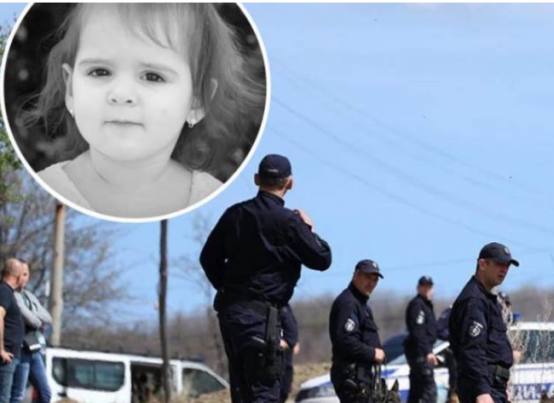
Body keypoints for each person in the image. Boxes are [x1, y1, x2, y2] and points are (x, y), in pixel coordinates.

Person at [21, 4, 264, 218]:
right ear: (70, 89)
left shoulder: (214, 200)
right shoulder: (42, 193)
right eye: (100, 72)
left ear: (197, 101)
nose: (121, 94)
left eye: (152, 76)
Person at [200, 154, 332, 403]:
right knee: (265, 393)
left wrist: (227, 289)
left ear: (256, 179)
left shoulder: (234, 215)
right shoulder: (289, 222)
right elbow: (322, 259)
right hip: (262, 319)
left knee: (242, 393)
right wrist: (310, 230)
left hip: (231, 316)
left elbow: (208, 258)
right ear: (289, 183)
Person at [449, 243, 518, 403]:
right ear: (482, 264)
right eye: (499, 264)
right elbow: (472, 351)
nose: (504, 269)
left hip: (494, 385)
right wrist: (482, 392)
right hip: (483, 387)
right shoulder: (474, 301)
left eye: (507, 265)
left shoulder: (486, 299)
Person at [329, 259, 385, 403]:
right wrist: (373, 353)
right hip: (352, 377)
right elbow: (345, 341)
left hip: (363, 376)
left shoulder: (363, 306)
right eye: (368, 277)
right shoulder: (348, 303)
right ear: (356, 276)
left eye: (375, 280)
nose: (371, 283)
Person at [10, 261, 52, 403]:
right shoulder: (11, 295)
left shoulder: (30, 296)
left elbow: (48, 318)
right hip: (21, 349)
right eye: (22, 274)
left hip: (34, 348)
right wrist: (36, 318)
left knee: (45, 393)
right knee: (18, 394)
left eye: (27, 274)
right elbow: (32, 321)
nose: (25, 278)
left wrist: (32, 314)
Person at [404, 276, 437, 403]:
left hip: (421, 352)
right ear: (419, 288)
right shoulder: (418, 305)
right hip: (419, 353)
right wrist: (427, 351)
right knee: (429, 391)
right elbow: (418, 331)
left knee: (416, 392)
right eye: (424, 287)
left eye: (429, 287)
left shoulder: (426, 305)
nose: (427, 290)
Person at [0, 260, 25, 403]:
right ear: (18, 276)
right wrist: (1, 349)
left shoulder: (8, 292)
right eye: (23, 274)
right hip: (4, 357)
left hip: (10, 355)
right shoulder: (4, 291)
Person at [436, 307, 458, 403]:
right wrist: (454, 338)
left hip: (468, 353)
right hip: (455, 353)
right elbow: (439, 329)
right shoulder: (451, 310)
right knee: (456, 384)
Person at [279, 304, 299, 403]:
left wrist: (295, 341)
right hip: (278, 349)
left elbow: (292, 322)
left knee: (286, 381)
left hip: (288, 349)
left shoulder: (285, 305)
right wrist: (279, 340)